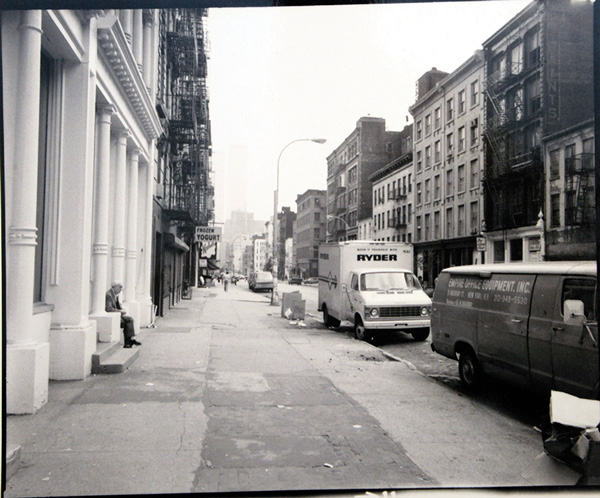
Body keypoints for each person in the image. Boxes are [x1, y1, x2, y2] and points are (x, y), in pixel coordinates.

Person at [106, 282, 141, 348]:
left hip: (117, 314)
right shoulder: (109, 295)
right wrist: (120, 311)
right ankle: (128, 342)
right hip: (112, 315)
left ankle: (130, 340)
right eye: (120, 287)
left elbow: (117, 305)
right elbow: (109, 309)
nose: (121, 289)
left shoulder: (115, 295)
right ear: (114, 286)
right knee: (125, 323)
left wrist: (122, 309)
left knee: (130, 319)